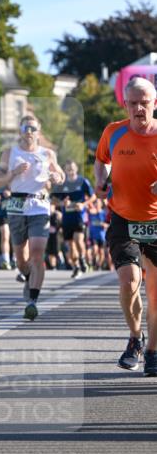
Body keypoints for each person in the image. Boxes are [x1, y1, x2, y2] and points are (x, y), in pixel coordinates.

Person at [94, 77, 157, 375]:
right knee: (129, 282)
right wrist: (100, 179)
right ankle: (135, 337)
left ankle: (153, 352)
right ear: (125, 104)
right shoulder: (114, 132)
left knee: (155, 291)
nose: (139, 109)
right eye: (133, 103)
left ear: (154, 104)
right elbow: (101, 160)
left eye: (144, 103)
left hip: (156, 220)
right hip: (123, 217)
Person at [0, 114, 65, 321]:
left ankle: (32, 301)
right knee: (21, 260)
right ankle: (27, 275)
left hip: (40, 206)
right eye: (26, 128)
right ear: (20, 130)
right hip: (16, 206)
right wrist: (13, 173)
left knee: (36, 253)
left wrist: (56, 176)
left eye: (33, 128)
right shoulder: (9, 153)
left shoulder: (47, 154)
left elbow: (60, 176)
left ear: (39, 131)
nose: (29, 132)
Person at [57, 160, 94, 278]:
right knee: (70, 246)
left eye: (72, 169)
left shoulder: (83, 181)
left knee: (78, 240)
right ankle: (76, 266)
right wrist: (62, 202)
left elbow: (93, 197)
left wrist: (83, 204)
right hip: (67, 219)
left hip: (79, 217)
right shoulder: (62, 184)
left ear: (76, 169)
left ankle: (82, 259)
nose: (70, 172)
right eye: (68, 169)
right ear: (65, 171)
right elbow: (54, 200)